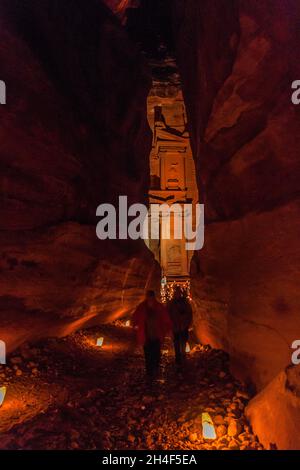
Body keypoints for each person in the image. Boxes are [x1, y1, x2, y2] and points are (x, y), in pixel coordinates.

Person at [133, 290, 171, 381]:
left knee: (156, 354)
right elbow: (135, 317)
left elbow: (166, 320)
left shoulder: (159, 307)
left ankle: (155, 370)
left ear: (154, 297)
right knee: (148, 354)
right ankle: (149, 372)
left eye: (151, 297)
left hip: (156, 336)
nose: (150, 299)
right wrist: (135, 326)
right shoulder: (142, 307)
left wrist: (166, 330)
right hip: (146, 336)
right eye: (148, 297)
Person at [168, 286, 193, 368]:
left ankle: (183, 358)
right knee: (176, 343)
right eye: (176, 293)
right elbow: (168, 314)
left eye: (179, 293)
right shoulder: (171, 303)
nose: (178, 294)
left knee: (183, 343)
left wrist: (187, 323)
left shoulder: (185, 303)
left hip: (183, 327)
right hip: (175, 327)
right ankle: (178, 359)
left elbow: (189, 314)